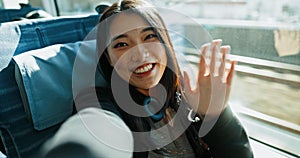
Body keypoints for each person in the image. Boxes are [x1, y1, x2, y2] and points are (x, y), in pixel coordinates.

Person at [41, 0, 253, 157]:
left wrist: (216, 115)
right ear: (109, 59)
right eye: (121, 45)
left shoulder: (192, 94)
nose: (141, 54)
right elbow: (97, 128)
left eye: (149, 37)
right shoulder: (98, 101)